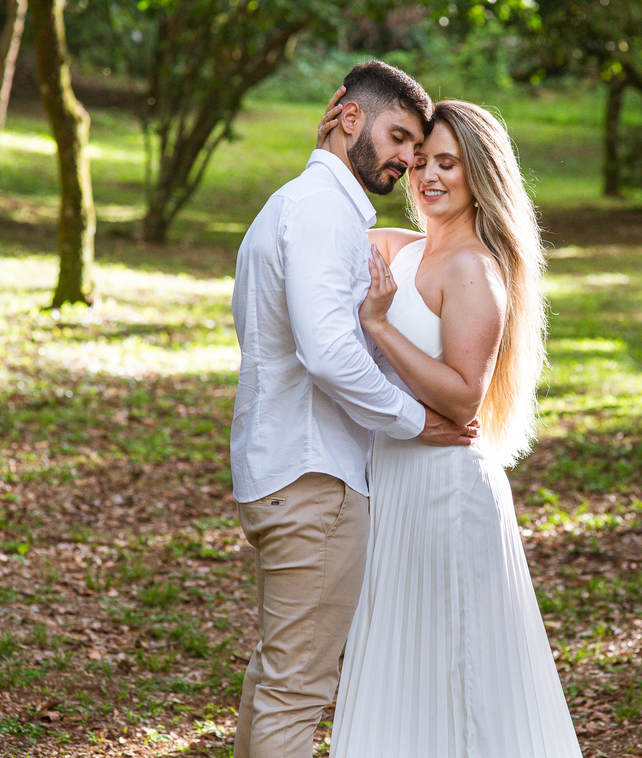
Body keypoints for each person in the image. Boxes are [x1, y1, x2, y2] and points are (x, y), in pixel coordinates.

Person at [315, 98, 584, 757]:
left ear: (478, 175)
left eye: (447, 163)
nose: (427, 176)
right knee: (401, 658)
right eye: (419, 161)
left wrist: (377, 325)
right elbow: (328, 216)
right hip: (397, 486)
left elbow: (465, 397)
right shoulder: (404, 251)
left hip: (444, 489)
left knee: (455, 666)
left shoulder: (473, 268)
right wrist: (329, 143)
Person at [229, 61, 476, 758]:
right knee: (297, 689)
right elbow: (328, 352)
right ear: (348, 117)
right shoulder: (320, 210)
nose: (406, 158)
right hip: (316, 481)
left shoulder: (290, 205)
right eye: (399, 136)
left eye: (416, 147)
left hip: (284, 469)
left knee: (277, 676)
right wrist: (416, 420)